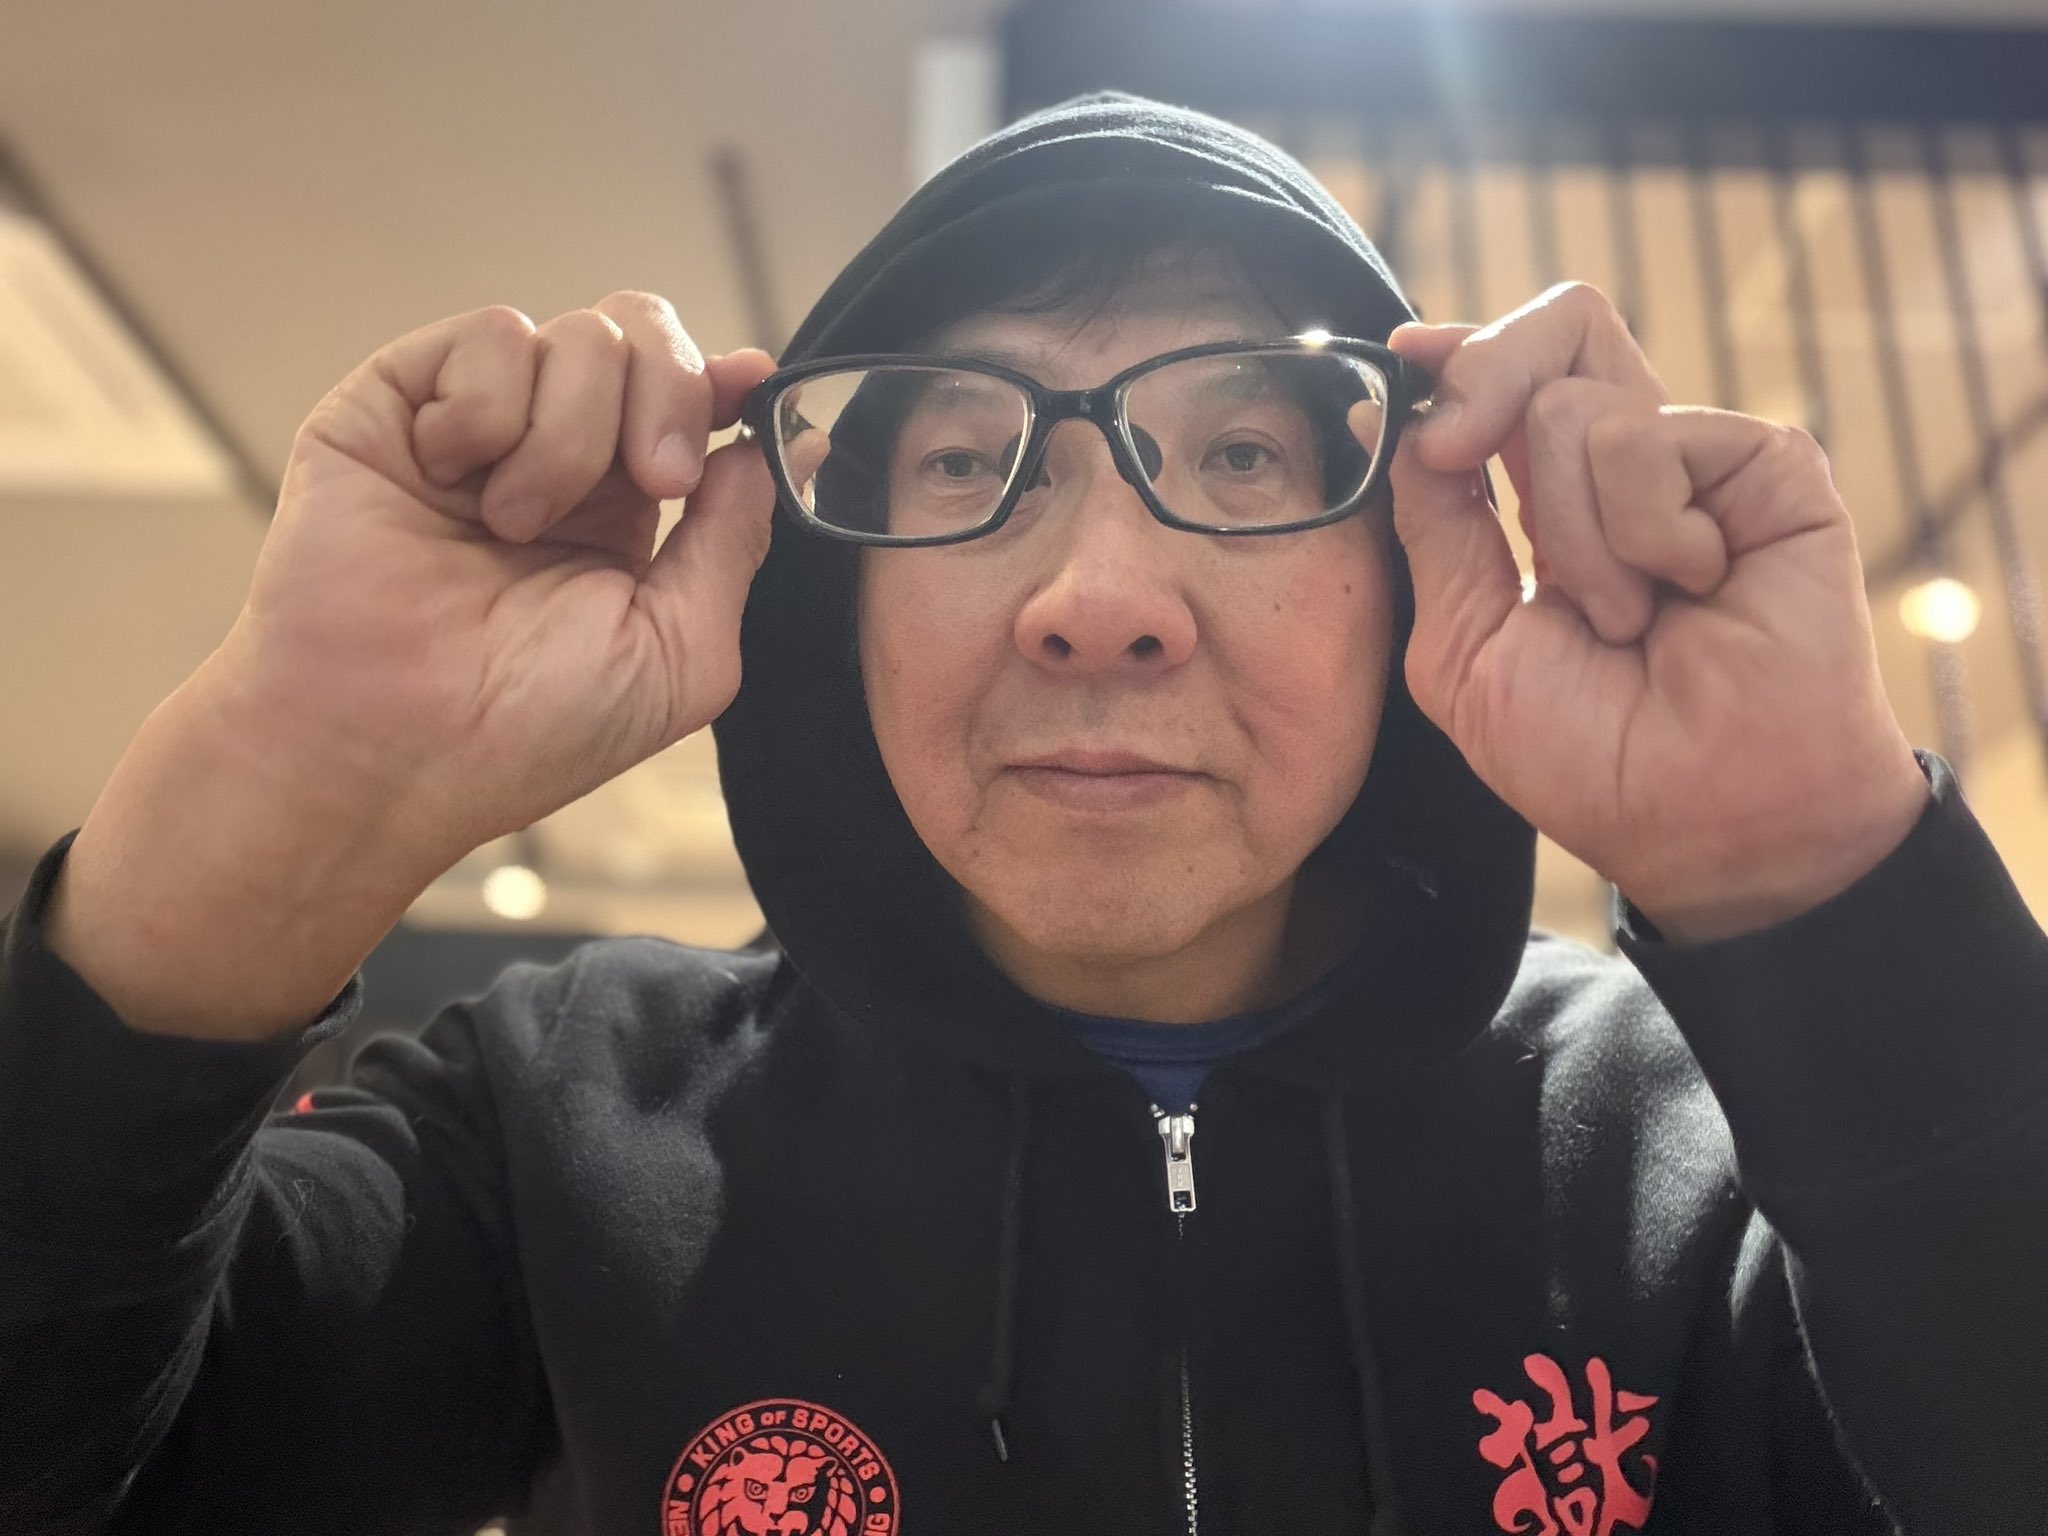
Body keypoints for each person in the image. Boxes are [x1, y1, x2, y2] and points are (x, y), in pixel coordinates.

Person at [2, 90, 2043, 1536]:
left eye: (1242, 458)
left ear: (1408, 563)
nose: (1096, 599)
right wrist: (286, 778)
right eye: (970, 460)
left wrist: (1811, 872)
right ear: (838, 598)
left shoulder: (1705, 1152)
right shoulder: (556, 1120)